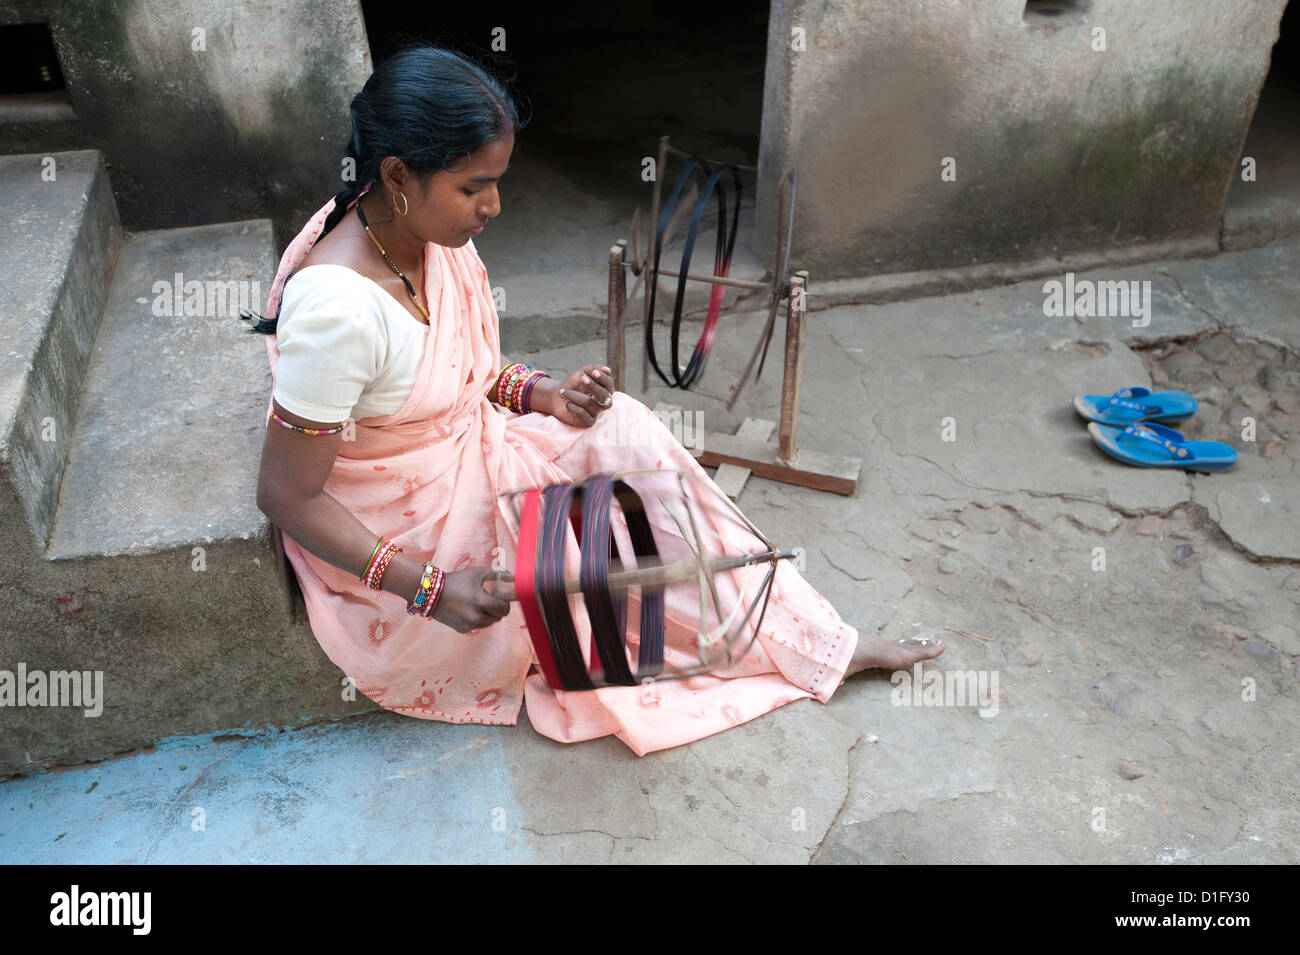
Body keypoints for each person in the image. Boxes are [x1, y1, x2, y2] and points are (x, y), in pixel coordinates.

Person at [253, 44, 943, 757]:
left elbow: (460, 371)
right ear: (397, 175)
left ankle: (812, 637)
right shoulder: (337, 310)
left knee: (624, 428)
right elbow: (286, 494)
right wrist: (431, 589)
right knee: (598, 567)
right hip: (408, 528)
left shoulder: (428, 234)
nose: (493, 206)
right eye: (474, 187)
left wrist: (547, 396)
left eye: (497, 182)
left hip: (467, 455)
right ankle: (747, 631)